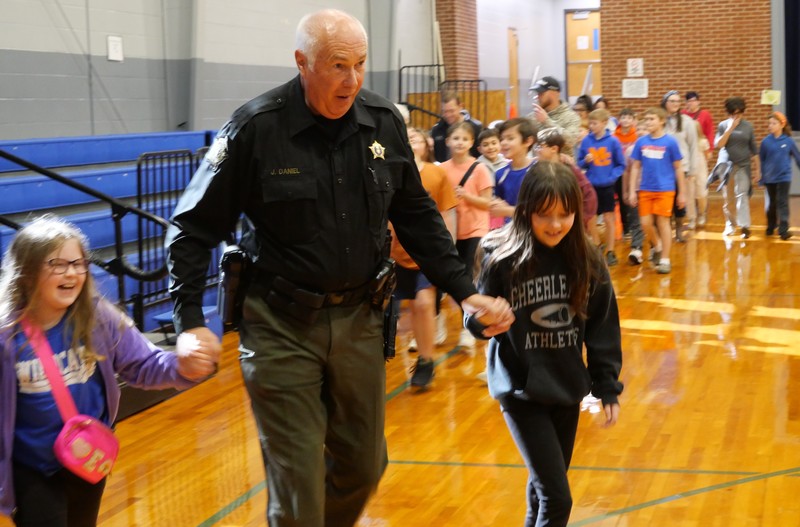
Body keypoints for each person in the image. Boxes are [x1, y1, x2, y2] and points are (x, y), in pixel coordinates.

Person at [164, 10, 514, 527]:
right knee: (300, 486)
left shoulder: (384, 122)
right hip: (280, 326)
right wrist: (189, 320)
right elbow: (191, 227)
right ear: (302, 63)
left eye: (361, 65)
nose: (352, 80)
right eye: (338, 66)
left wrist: (465, 292)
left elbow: (415, 217)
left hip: (359, 321)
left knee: (364, 467)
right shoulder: (256, 128)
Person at [0, 215, 219, 527]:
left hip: (88, 458)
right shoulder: (7, 336)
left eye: (78, 263)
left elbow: (143, 363)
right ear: (27, 273)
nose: (72, 272)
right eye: (57, 264)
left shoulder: (97, 317)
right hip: (34, 470)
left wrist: (182, 365)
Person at [467, 161, 623, 527]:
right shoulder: (500, 257)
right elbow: (474, 314)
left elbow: (602, 330)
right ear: (526, 212)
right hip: (520, 390)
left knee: (541, 491)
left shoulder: (589, 261)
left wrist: (607, 387)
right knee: (557, 498)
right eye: (544, 215)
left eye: (565, 215)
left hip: (567, 388)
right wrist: (482, 323)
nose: (555, 225)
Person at [391, 127, 458, 387]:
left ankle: (426, 360)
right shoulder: (391, 171)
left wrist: (448, 247)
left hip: (426, 252)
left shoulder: (436, 173)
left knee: (423, 304)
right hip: (395, 251)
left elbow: (447, 212)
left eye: (415, 138)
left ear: (426, 144)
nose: (410, 141)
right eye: (405, 138)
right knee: (391, 312)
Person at [441, 121, 495, 349]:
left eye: (465, 139)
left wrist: (466, 196)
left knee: (467, 277)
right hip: (451, 232)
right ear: (447, 142)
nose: (460, 142)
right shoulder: (441, 169)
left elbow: (487, 202)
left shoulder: (480, 169)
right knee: (451, 279)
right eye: (456, 138)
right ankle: (440, 325)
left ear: (472, 143)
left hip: (476, 229)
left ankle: (468, 328)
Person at [628, 107, 686, 274]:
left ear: (662, 121)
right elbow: (635, 167)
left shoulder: (670, 142)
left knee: (663, 222)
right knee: (646, 224)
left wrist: (682, 192)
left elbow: (678, 169)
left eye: (652, 119)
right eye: (646, 119)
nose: (648, 122)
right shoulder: (641, 142)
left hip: (665, 189)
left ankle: (665, 259)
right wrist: (632, 191)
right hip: (646, 189)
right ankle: (658, 245)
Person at [577, 109, 626, 266]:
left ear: (604, 123)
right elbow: (578, 163)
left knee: (608, 218)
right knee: (590, 218)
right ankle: (597, 245)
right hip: (591, 186)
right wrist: (585, 161)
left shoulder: (613, 141)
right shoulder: (586, 141)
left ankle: (610, 251)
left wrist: (611, 178)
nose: (591, 126)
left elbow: (621, 164)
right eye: (590, 123)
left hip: (606, 186)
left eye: (595, 123)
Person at [536, 127, 598, 232]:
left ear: (554, 149)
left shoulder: (570, 170)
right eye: (537, 147)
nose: (537, 150)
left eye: (541, 146)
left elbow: (589, 195)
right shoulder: (538, 170)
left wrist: (581, 219)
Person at [715, 96, 760, 239]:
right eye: (733, 113)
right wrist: (730, 129)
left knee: (743, 196)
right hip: (726, 166)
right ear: (728, 113)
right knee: (728, 198)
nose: (736, 116)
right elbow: (719, 144)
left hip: (743, 165)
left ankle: (745, 226)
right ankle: (730, 224)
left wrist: (758, 169)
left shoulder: (749, 126)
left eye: (739, 113)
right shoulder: (723, 125)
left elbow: (754, 150)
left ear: (742, 112)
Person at [662, 90, 699, 242]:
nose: (675, 104)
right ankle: (665, 230)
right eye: (672, 101)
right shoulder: (659, 120)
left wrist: (692, 169)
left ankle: (678, 231)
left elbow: (693, 146)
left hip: (681, 168)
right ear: (665, 102)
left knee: (680, 201)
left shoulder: (686, 122)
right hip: (662, 168)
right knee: (664, 200)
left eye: (677, 101)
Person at [759, 111, 800, 240]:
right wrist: (762, 178)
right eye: (769, 123)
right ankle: (771, 226)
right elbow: (762, 160)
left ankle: (783, 230)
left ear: (781, 125)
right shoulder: (766, 142)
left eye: (773, 123)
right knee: (772, 203)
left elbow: (798, 158)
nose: (770, 126)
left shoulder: (788, 141)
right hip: (770, 178)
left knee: (782, 202)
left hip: (784, 177)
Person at [490, 117, 536, 225]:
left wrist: (508, 211)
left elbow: (540, 212)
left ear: (528, 141)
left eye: (510, 138)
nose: (504, 143)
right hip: (509, 231)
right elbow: (499, 205)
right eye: (502, 139)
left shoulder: (538, 172)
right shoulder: (500, 174)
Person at [528, 76, 582, 157]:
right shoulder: (532, 117)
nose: (538, 97)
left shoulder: (571, 117)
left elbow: (571, 141)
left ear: (555, 93)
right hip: (539, 167)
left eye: (541, 93)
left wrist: (546, 121)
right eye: (537, 94)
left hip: (562, 167)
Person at [431, 91, 483, 162]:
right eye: (444, 111)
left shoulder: (476, 128)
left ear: (460, 107)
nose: (448, 115)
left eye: (451, 111)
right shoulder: (437, 130)